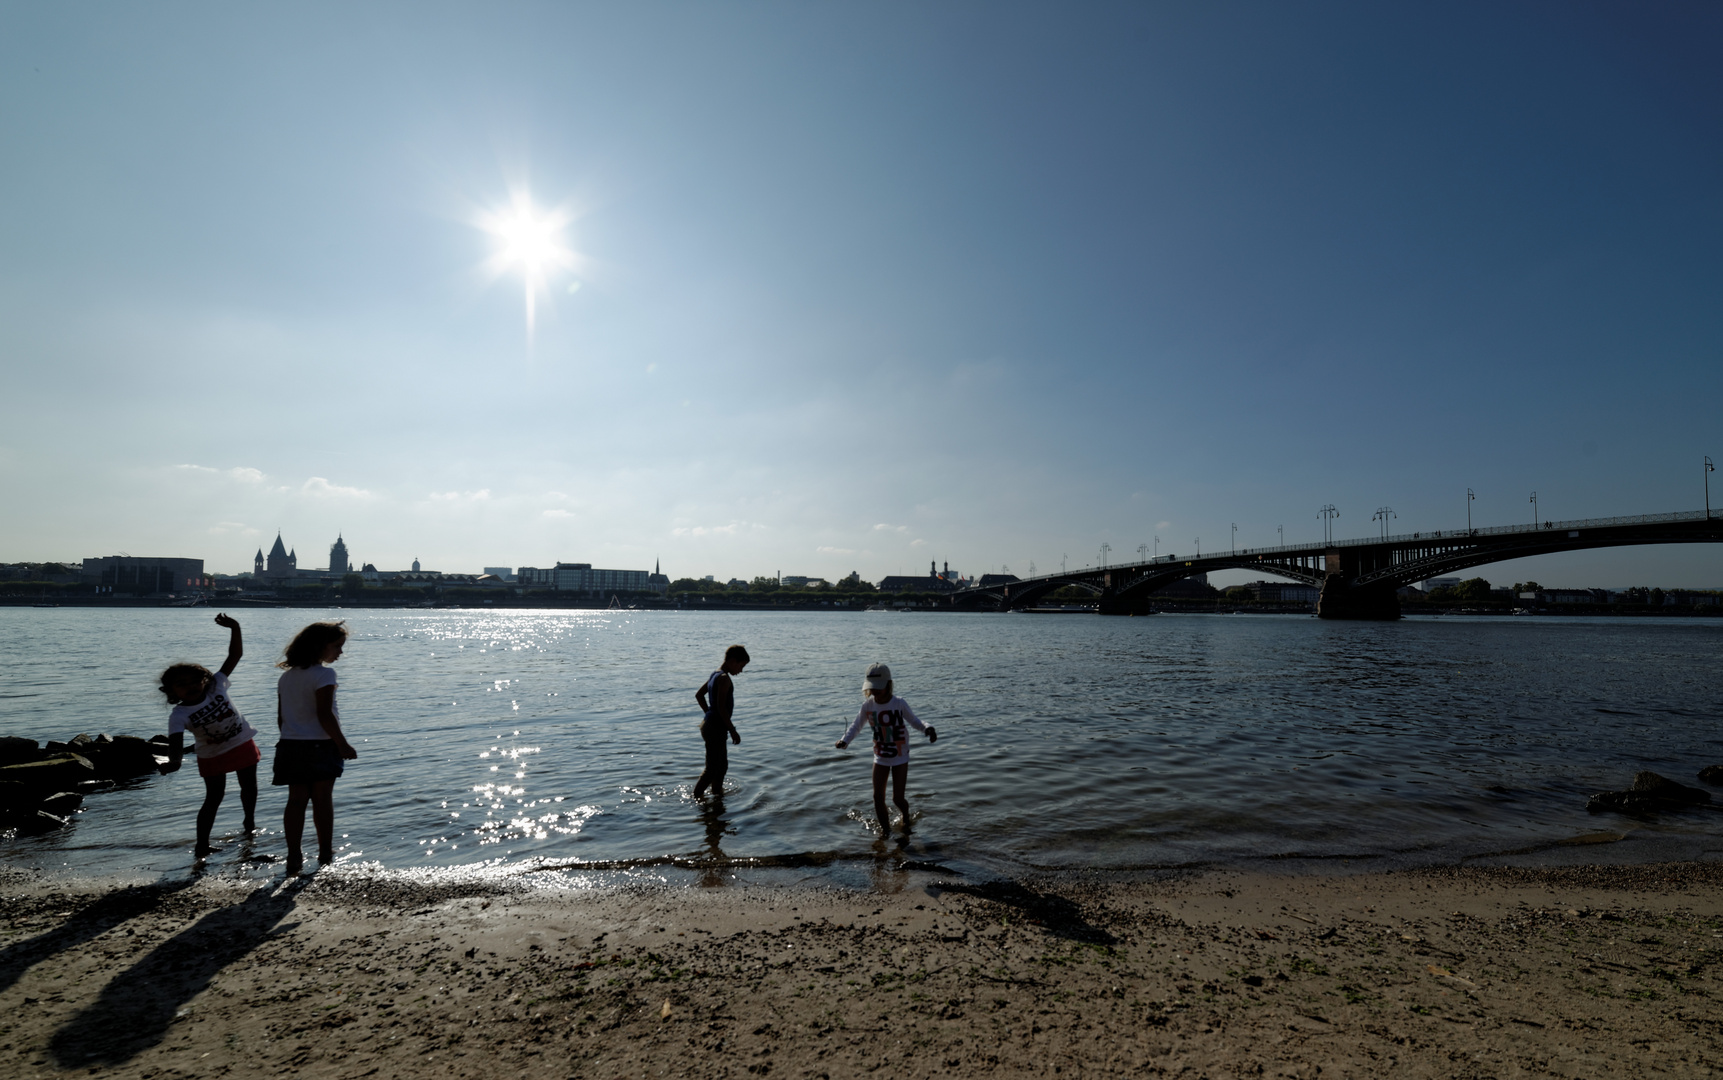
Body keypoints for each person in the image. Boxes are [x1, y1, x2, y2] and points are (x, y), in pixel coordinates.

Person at [159, 613, 261, 859]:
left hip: (241, 743)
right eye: (182, 684)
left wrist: (235, 627)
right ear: (171, 691)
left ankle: (249, 825)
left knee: (250, 788)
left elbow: (234, 655)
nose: (191, 686)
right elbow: (175, 742)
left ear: (205, 680)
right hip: (211, 755)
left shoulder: (216, 685)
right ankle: (202, 845)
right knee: (214, 798)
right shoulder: (179, 714)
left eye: (195, 681)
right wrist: (174, 762)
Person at [274, 621, 358, 875]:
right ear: (319, 646)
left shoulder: (286, 677)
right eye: (336, 647)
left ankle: (293, 856)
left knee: (296, 801)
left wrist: (291, 736)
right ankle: (324, 853)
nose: (340, 653)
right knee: (322, 800)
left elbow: (281, 717)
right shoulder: (324, 675)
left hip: (290, 744)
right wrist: (342, 743)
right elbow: (324, 714)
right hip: (321, 745)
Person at [836, 662, 936, 836]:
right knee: (877, 797)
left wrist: (927, 728)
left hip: (900, 756)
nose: (875, 692)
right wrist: (845, 740)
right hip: (880, 756)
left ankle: (905, 816)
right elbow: (856, 725)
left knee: (897, 798)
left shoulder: (899, 703)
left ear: (888, 685)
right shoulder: (868, 706)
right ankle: (885, 832)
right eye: (872, 689)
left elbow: (914, 721)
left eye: (879, 688)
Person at [692, 644, 750, 799]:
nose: (741, 670)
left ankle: (717, 796)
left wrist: (709, 714)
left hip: (712, 725)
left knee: (721, 766)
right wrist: (732, 730)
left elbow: (699, 695)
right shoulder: (724, 679)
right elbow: (721, 708)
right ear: (732, 661)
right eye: (741, 665)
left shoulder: (715, 674)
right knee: (712, 768)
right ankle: (697, 797)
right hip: (715, 727)